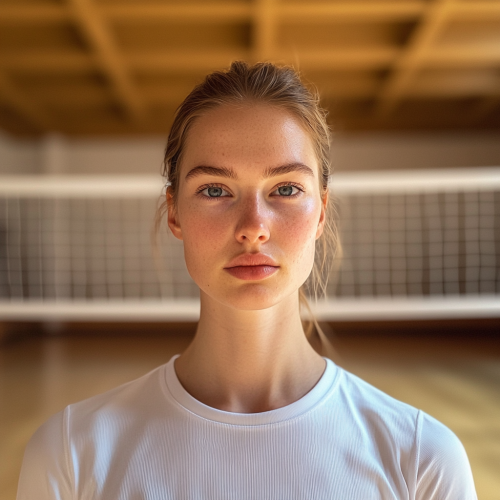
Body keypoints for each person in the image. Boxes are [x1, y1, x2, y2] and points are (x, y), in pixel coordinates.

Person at [17, 61, 477, 499]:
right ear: (174, 211)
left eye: (286, 189)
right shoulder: (70, 453)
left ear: (322, 211)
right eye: (215, 189)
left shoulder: (422, 458)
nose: (253, 225)